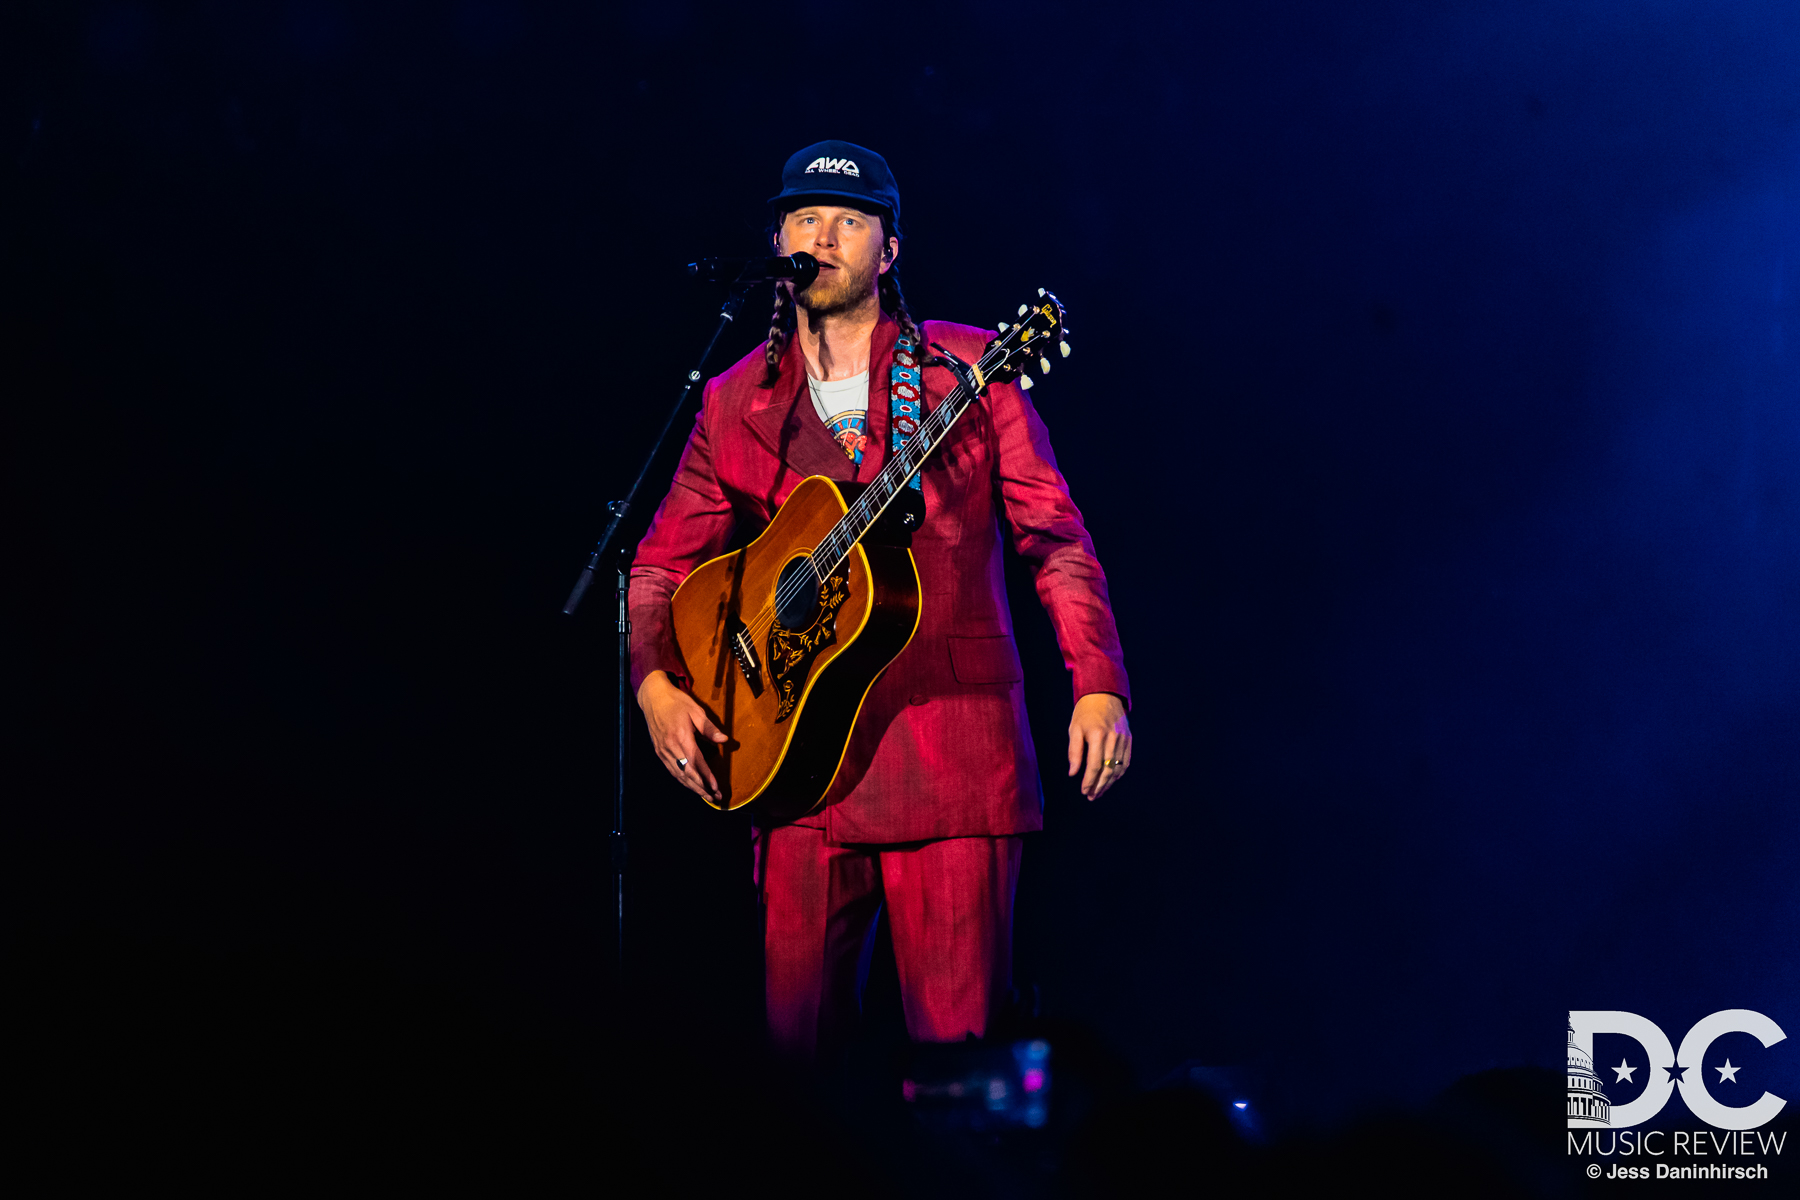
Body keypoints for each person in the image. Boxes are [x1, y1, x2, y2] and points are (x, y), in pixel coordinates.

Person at [628, 140, 1132, 1059]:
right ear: (778, 238)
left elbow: (1055, 541)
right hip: (790, 774)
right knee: (796, 1081)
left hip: (952, 762)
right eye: (805, 219)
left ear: (888, 250)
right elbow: (659, 567)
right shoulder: (737, 397)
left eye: (849, 220)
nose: (823, 236)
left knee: (958, 1074)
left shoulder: (969, 374)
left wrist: (1097, 681)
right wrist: (658, 686)